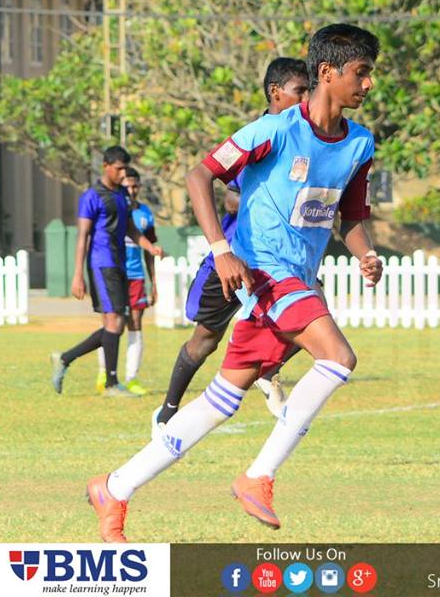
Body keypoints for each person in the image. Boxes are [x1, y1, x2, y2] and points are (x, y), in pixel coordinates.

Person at [87, 24, 382, 542]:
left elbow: (352, 216)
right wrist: (221, 250)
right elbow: (200, 176)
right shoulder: (271, 131)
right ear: (328, 73)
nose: (368, 85)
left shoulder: (360, 143)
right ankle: (259, 476)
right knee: (338, 357)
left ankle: (115, 487)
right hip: (263, 272)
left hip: (297, 279)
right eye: (362, 73)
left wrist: (367, 254)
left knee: (221, 402)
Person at [152, 57, 312, 434]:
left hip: (277, 261)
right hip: (236, 256)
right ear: (276, 92)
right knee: (205, 339)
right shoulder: (259, 134)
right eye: (299, 91)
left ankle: (267, 371)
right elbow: (228, 198)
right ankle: (167, 411)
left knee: (311, 317)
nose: (306, 99)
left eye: (309, 91)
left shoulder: (305, 136)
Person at [50, 146, 164, 396]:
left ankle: (65, 358)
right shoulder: (92, 196)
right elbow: (83, 236)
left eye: (125, 167)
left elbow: (131, 230)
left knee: (116, 323)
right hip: (102, 263)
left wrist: (150, 247)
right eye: (119, 168)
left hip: (121, 263)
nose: (122, 172)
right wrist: (77, 274)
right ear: (106, 166)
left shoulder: (123, 194)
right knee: (115, 322)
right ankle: (111, 383)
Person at [95, 168, 157, 396]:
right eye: (127, 186)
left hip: (136, 276)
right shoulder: (113, 209)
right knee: (110, 322)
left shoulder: (145, 213)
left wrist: (154, 284)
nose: (132, 190)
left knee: (135, 323)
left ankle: (132, 377)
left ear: (139, 187)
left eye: (135, 186)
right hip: (113, 273)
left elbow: (150, 249)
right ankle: (104, 372)